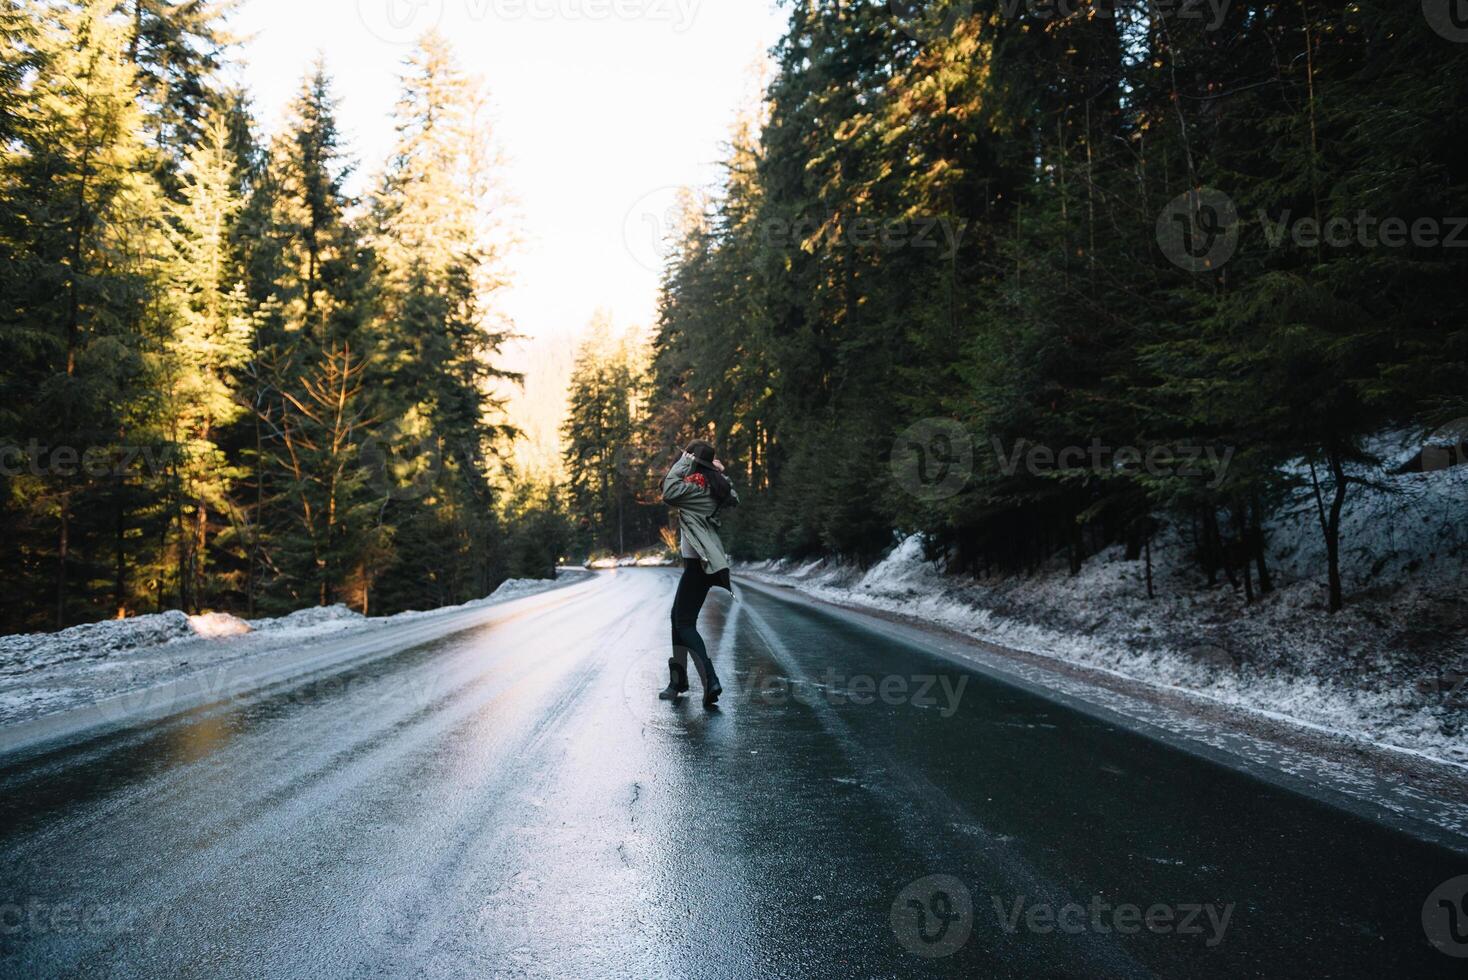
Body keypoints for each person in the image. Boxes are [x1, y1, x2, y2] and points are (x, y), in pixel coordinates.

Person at [660, 440, 739, 706]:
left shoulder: (695, 488)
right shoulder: (714, 486)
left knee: (684, 624)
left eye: (689, 460)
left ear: (694, 462)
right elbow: (733, 495)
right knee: (677, 619)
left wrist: (684, 460)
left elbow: (668, 490)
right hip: (702, 564)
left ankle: (710, 679)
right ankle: (678, 681)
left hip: (698, 565)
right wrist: (719, 472)